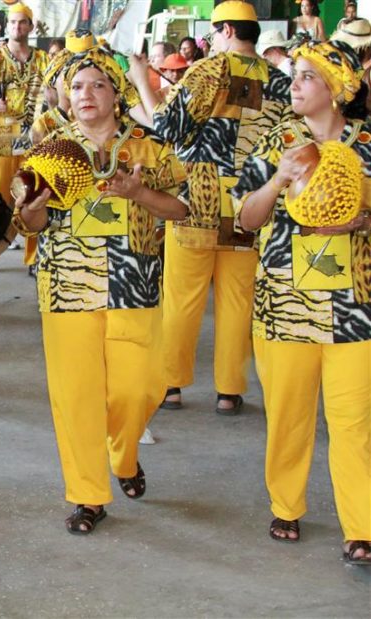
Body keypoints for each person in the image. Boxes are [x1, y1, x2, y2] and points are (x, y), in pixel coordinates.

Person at [14, 47, 188, 535]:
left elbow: (182, 208)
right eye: (76, 87)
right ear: (66, 99)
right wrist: (30, 212)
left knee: (141, 388)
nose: (85, 94)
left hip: (135, 284)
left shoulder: (149, 147)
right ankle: (88, 495)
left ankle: (125, 455)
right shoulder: (49, 150)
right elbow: (32, 221)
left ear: (117, 94)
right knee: (76, 397)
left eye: (96, 85)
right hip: (67, 288)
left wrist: (139, 194)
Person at [233, 39, 370, 566]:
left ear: (336, 90)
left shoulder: (366, 146)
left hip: (354, 305)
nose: (294, 84)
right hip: (285, 300)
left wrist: (361, 219)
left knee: (353, 420)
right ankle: (286, 504)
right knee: (288, 414)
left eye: (308, 76)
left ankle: (361, 525)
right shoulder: (276, 142)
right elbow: (247, 219)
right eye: (293, 74)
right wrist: (279, 179)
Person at [140, 1, 292, 414]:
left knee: (183, 297)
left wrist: (141, 80)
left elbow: (168, 127)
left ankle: (171, 385)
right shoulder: (279, 81)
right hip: (249, 200)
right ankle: (229, 390)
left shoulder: (208, 70)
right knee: (238, 299)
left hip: (199, 196)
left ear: (226, 30)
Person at [0, 2, 49, 272]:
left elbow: (55, 90)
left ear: (30, 26)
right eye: (13, 22)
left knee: (34, 194)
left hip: (35, 138)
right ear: (8, 26)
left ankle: (34, 258)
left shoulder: (42, 60)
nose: (17, 27)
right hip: (3, 138)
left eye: (22, 22)